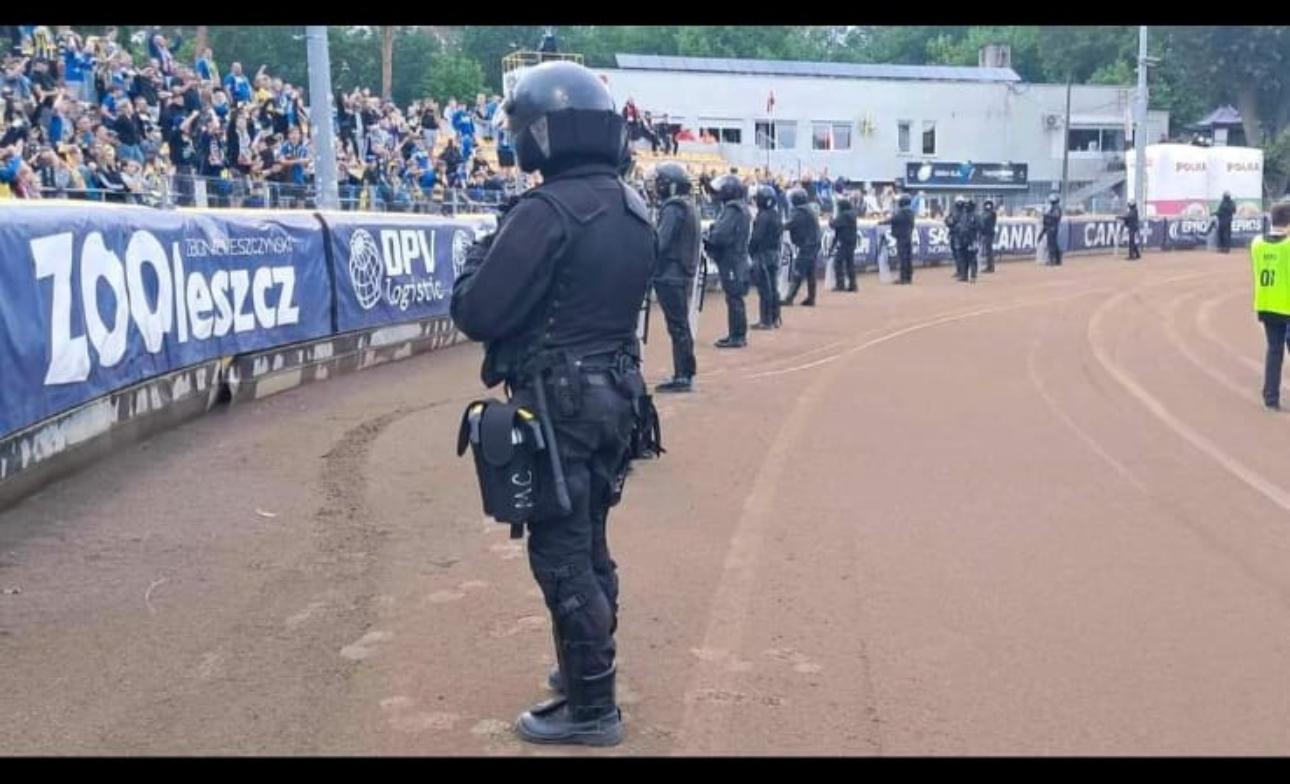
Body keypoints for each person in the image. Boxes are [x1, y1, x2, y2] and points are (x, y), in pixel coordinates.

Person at [450, 61, 653, 748]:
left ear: (544, 134)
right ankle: (582, 674)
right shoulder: (631, 205)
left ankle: (592, 704)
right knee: (590, 545)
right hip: (615, 397)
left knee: (562, 555)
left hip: (562, 402)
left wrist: (484, 246)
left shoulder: (547, 211)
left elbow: (478, 311)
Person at [651, 162, 701, 392]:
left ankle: (683, 375)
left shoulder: (673, 208)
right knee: (681, 326)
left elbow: (661, 242)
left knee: (678, 327)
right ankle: (685, 372)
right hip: (680, 274)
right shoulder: (688, 206)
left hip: (671, 275)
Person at [703, 173, 752, 348]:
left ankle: (737, 336)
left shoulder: (733, 209)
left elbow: (721, 236)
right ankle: (736, 334)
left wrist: (710, 237)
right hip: (737, 259)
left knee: (734, 298)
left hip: (732, 260)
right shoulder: (741, 207)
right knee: (734, 298)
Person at [1250, 201, 1290, 410]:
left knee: (1274, 351)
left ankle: (1270, 397)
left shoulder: (1257, 243)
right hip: (1286, 305)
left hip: (1266, 304)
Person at [749, 184, 784, 328]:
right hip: (774, 254)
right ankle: (775, 317)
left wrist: (750, 250)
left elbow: (756, 237)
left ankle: (766, 320)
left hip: (763, 255)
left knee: (765, 289)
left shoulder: (763, 216)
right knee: (773, 288)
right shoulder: (776, 215)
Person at [782, 187, 821, 306]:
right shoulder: (809, 209)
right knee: (810, 272)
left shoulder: (799, 211)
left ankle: (789, 298)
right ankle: (811, 297)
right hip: (814, 244)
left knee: (798, 271)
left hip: (807, 245)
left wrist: (776, 226)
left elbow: (789, 224)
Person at [879, 193, 916, 284]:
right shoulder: (910, 211)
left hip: (902, 237)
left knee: (903, 258)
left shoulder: (903, 212)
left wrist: (881, 222)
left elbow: (893, 219)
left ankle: (903, 278)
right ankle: (908, 277)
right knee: (908, 258)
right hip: (907, 236)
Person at [829, 197, 858, 292]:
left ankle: (840, 285)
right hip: (851, 241)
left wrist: (830, 219)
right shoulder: (851, 214)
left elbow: (833, 225)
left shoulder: (844, 215)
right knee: (850, 263)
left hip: (845, 241)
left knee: (838, 262)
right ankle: (853, 285)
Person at [959, 200, 981, 282]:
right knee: (963, 258)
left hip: (972, 239)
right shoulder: (964, 215)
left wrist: (972, 229)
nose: (966, 207)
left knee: (972, 258)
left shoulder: (976, 216)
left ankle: (973, 276)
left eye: (968, 206)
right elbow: (960, 225)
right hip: (963, 239)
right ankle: (964, 276)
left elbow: (980, 226)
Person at [1038, 194, 1063, 265]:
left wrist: (1045, 215)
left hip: (1053, 228)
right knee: (1053, 244)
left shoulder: (1056, 208)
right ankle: (1057, 260)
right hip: (1050, 227)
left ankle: (1052, 260)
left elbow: (1055, 216)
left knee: (1051, 245)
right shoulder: (1053, 208)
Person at [946, 196, 965, 277]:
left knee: (960, 254)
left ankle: (962, 271)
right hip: (953, 234)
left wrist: (954, 223)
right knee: (955, 254)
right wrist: (949, 222)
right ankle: (959, 270)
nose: (960, 203)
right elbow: (947, 220)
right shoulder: (953, 211)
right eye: (958, 201)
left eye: (961, 201)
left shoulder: (965, 211)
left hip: (961, 236)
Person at [980, 199, 998, 272]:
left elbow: (987, 218)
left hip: (989, 233)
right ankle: (989, 266)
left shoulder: (992, 213)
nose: (987, 206)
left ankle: (990, 267)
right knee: (987, 251)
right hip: (985, 233)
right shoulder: (985, 213)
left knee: (989, 251)